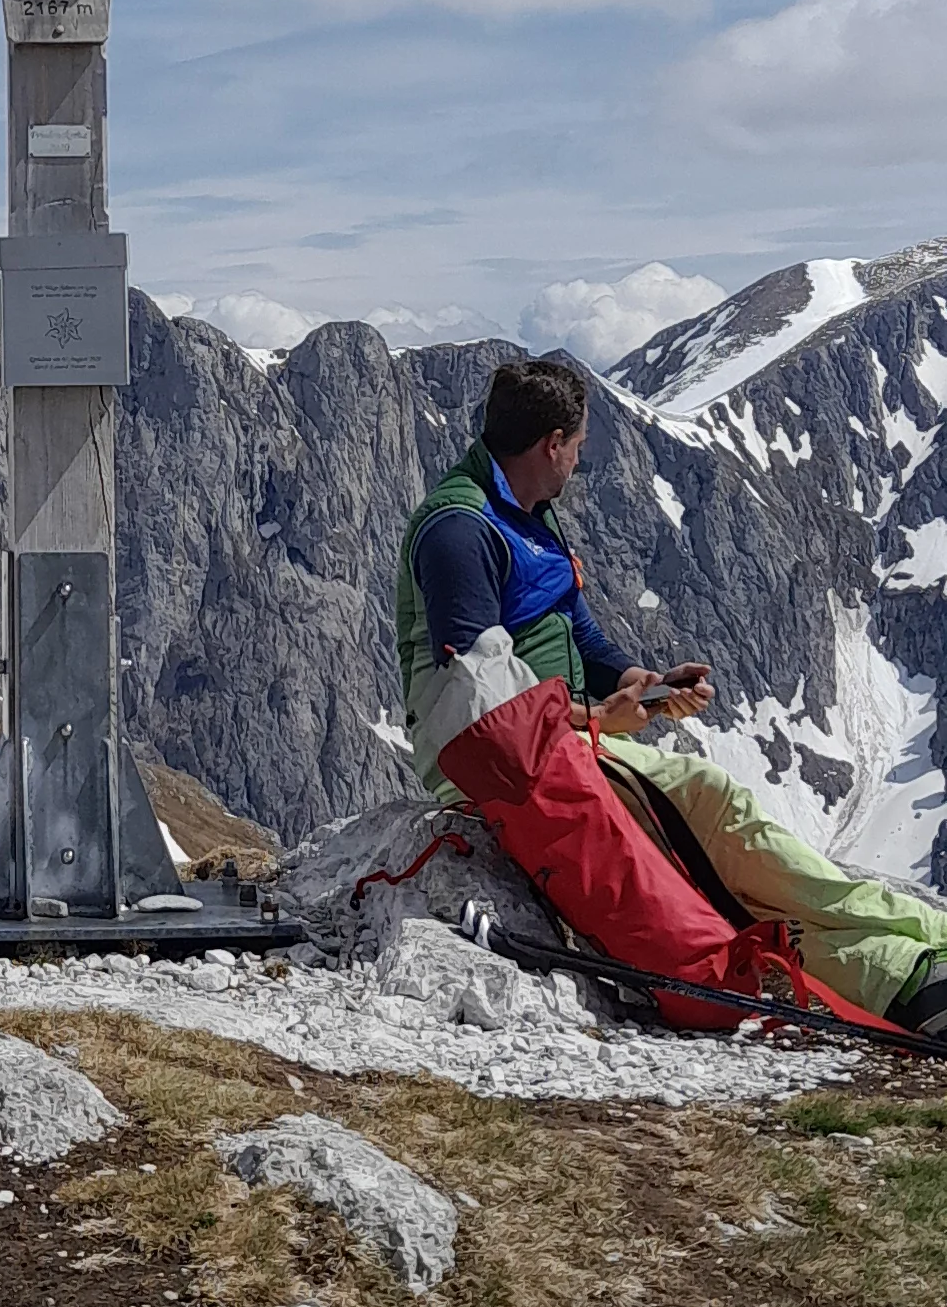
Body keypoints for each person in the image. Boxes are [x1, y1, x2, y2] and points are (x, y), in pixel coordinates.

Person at [397, 350, 947, 1039]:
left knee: (714, 821)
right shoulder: (461, 529)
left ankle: (911, 951)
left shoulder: (528, 511)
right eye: (578, 447)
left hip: (557, 742)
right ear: (553, 444)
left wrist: (639, 684)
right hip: (509, 766)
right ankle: (908, 962)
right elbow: (475, 695)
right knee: (710, 817)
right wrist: (597, 720)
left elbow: (580, 637)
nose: (578, 462)